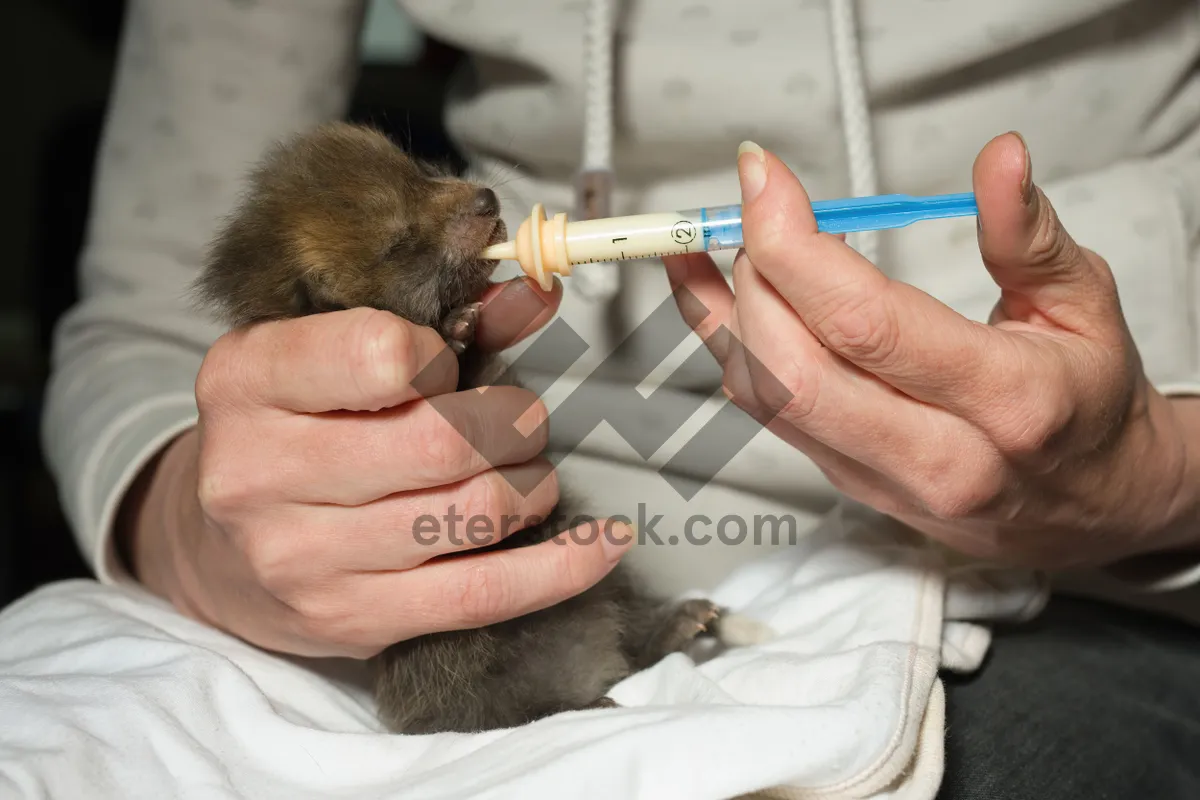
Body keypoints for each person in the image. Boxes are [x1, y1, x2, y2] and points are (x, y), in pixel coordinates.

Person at [8, 0, 1200, 797]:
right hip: (423, 586)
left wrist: (1153, 477)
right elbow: (149, 320)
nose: (463, 196)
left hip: (1102, 576)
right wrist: (203, 533)